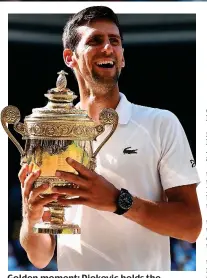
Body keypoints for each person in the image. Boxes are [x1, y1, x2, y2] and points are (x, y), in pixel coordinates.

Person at [18, 6, 201, 271]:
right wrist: (31, 214)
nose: (107, 48)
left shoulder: (161, 123)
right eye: (95, 40)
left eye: (114, 41)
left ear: (123, 57)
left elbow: (191, 227)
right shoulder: (51, 132)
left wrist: (119, 201)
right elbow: (40, 257)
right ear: (70, 57)